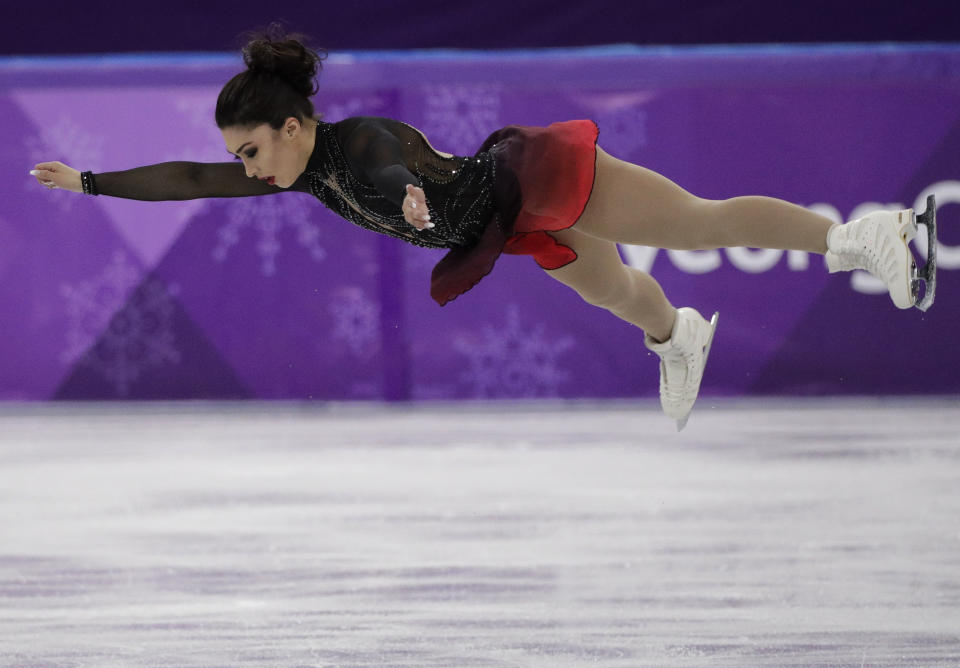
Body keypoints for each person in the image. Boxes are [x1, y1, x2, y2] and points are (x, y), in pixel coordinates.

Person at [28, 24, 936, 430]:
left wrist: (415, 198)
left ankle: (866, 237)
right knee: (620, 291)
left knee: (695, 225)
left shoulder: (359, 142)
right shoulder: (298, 179)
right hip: (505, 229)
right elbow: (192, 179)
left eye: (254, 148)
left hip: (530, 178)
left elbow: (396, 166)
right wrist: (94, 181)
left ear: (295, 127)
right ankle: (681, 336)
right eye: (243, 153)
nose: (249, 166)